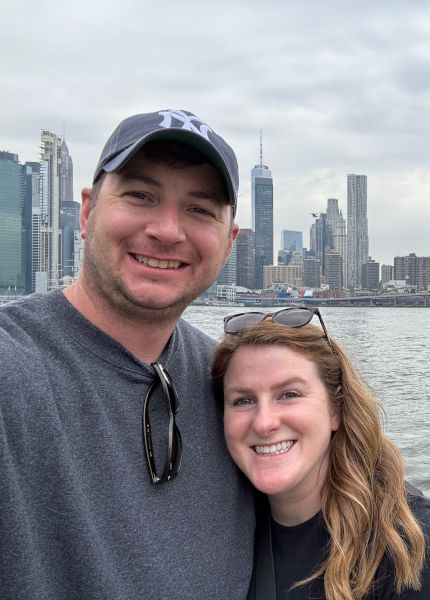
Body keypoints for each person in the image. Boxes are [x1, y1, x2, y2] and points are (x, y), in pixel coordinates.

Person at [0, 109, 255, 598]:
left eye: (200, 209)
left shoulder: (234, 386)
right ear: (89, 210)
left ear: (229, 244)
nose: (166, 230)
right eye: (140, 195)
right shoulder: (13, 367)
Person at [211, 307, 430, 600]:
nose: (264, 422)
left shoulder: (401, 536)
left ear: (336, 409)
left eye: (289, 394)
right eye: (243, 400)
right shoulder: (214, 522)